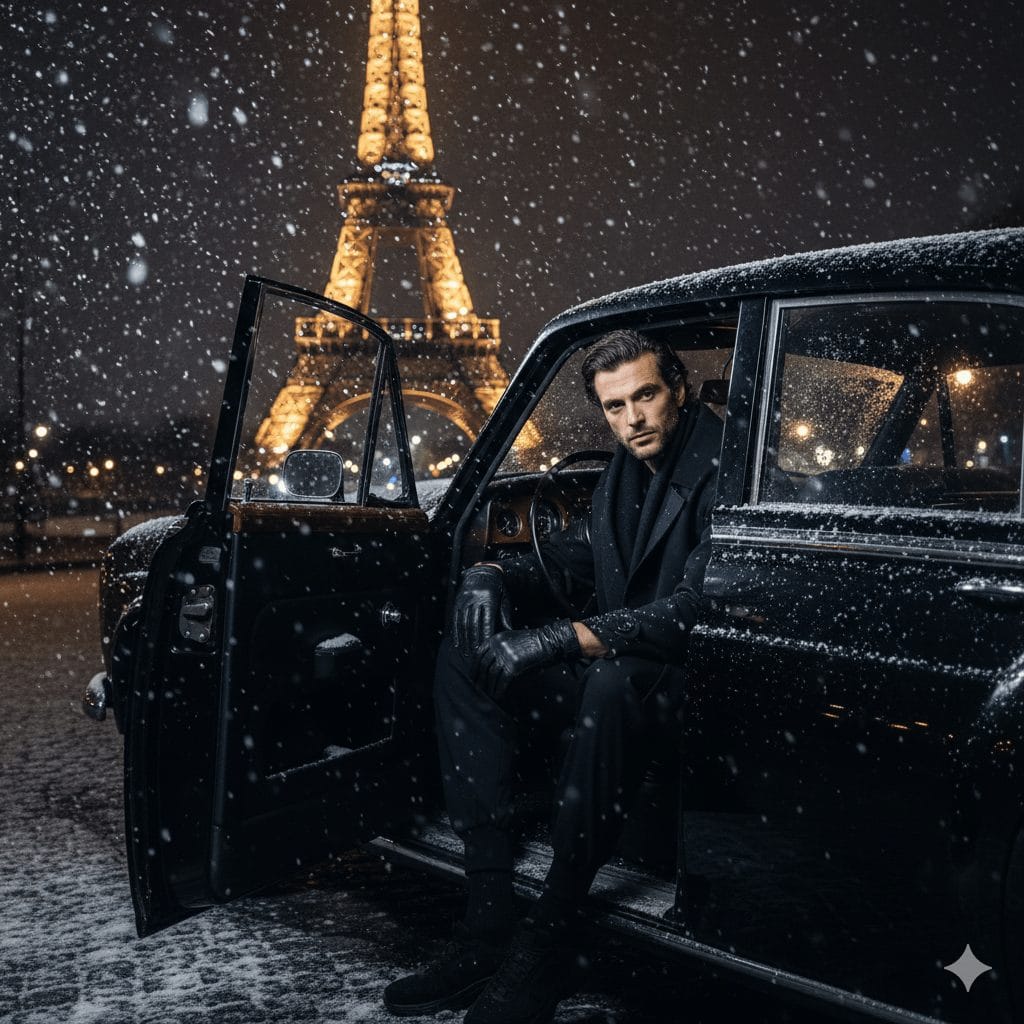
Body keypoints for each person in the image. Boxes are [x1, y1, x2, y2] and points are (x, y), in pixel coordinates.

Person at [383, 329, 722, 1023]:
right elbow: (571, 556)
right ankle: (488, 915)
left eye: (647, 396)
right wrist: (489, 574)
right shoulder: (623, 476)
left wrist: (562, 636)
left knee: (610, 680)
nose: (632, 419)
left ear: (678, 390)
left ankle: (551, 934)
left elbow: (696, 606)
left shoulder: (723, 468)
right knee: (466, 653)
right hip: (629, 677)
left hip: (697, 688)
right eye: (615, 406)